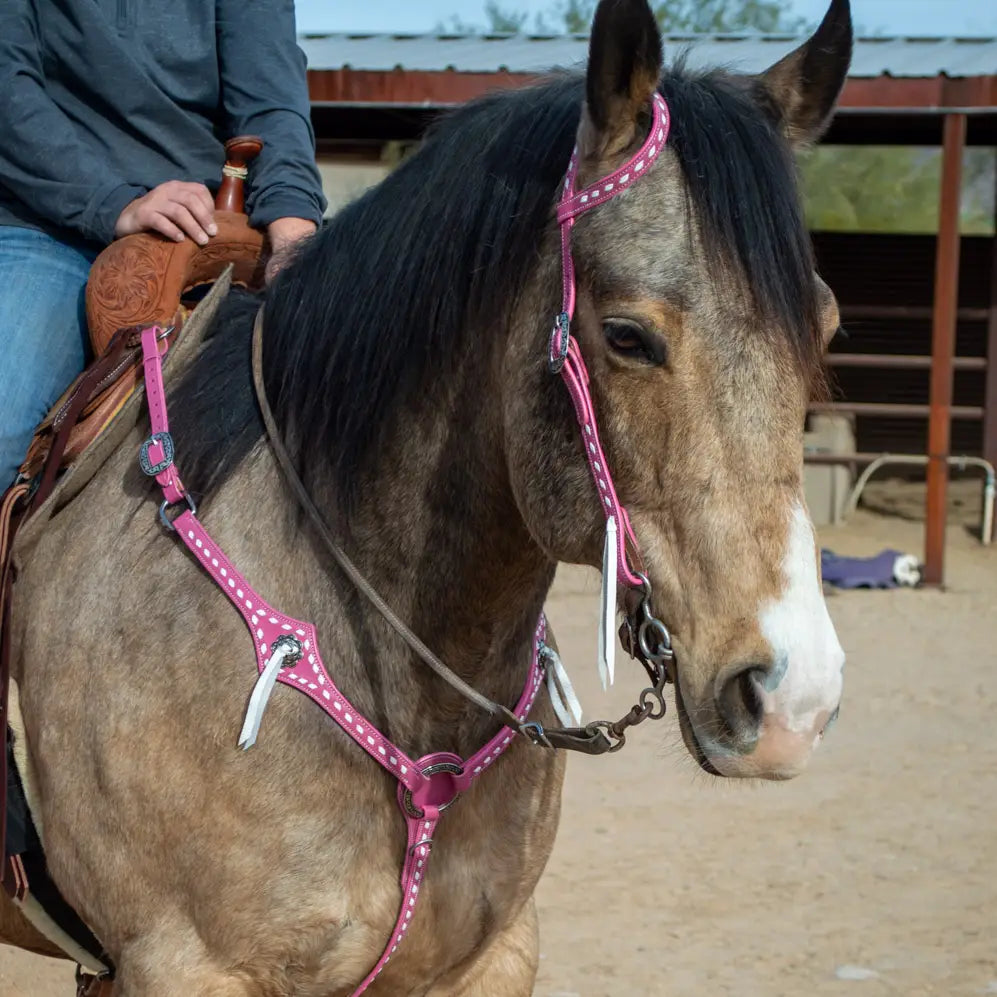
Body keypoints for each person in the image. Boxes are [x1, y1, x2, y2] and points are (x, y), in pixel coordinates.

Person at [0, 0, 327, 485]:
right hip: (48, 227)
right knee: (3, 426)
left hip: (201, 233)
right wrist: (114, 203)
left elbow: (271, 99)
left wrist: (295, 237)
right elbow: (8, 88)